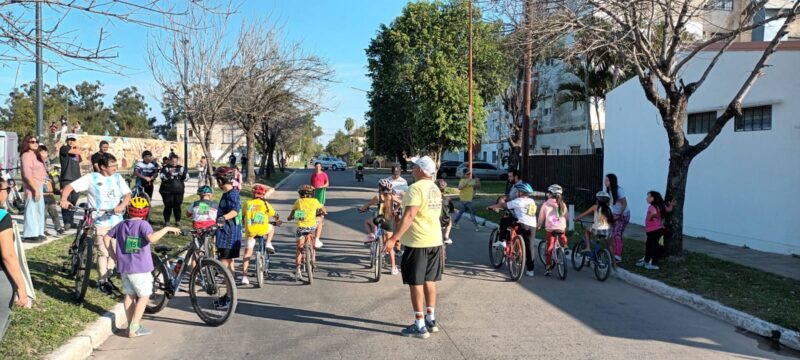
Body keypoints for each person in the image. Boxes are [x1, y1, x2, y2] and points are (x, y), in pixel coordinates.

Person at [384, 156, 443, 340]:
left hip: (418, 242)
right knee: (429, 280)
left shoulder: (415, 188)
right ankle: (431, 319)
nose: (412, 168)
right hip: (435, 241)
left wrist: (394, 238)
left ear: (422, 170)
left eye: (415, 166)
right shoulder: (434, 188)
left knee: (415, 283)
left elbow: (409, 216)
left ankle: (419, 325)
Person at [104, 196, 180, 338]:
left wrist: (113, 256)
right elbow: (151, 238)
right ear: (145, 212)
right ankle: (134, 327)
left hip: (125, 268)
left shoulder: (121, 224)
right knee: (144, 297)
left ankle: (130, 325)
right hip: (140, 269)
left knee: (129, 296)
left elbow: (106, 238)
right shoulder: (144, 225)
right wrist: (167, 228)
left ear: (129, 210)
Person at [61, 153, 131, 295]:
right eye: (112, 166)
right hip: (100, 221)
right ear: (102, 167)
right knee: (103, 251)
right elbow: (69, 187)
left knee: (116, 251)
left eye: (115, 165)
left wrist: (123, 205)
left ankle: (107, 276)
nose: (115, 168)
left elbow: (127, 195)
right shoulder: (91, 178)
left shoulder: (117, 178)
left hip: (117, 220)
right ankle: (102, 282)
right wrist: (63, 199)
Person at [0, 178, 31, 341]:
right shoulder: (2, 216)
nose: (7, 193)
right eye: (6, 189)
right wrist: (21, 286)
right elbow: (8, 255)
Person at [488, 182, 538, 277]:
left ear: (521, 192)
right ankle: (530, 270)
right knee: (530, 246)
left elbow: (503, 205)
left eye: (517, 191)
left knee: (504, 220)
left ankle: (502, 240)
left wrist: (492, 206)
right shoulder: (532, 201)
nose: (516, 193)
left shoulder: (518, 201)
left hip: (522, 224)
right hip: (532, 226)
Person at [358, 179, 403, 274]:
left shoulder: (377, 197)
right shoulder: (391, 197)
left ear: (379, 188)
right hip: (389, 222)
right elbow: (401, 203)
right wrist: (395, 210)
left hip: (380, 221)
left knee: (367, 222)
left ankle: (371, 235)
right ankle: (393, 268)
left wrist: (362, 209)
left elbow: (366, 206)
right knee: (389, 245)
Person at [212, 167, 241, 307]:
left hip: (228, 235)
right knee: (229, 265)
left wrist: (223, 218)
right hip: (225, 233)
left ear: (221, 180)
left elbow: (235, 210)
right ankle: (230, 295)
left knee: (223, 265)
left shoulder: (233, 194)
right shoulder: (227, 193)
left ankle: (229, 297)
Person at [240, 184, 280, 285]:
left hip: (250, 232)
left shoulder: (247, 203)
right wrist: (278, 220)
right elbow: (274, 214)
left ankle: (244, 276)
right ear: (263, 195)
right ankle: (268, 243)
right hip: (262, 229)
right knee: (271, 228)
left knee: (247, 254)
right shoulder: (265, 204)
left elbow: (242, 216)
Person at [289, 185, 327, 281]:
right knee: (320, 220)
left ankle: (298, 270)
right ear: (311, 194)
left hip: (301, 228)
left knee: (299, 250)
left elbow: (292, 213)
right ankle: (317, 239)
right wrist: (324, 212)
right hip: (311, 226)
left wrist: (290, 218)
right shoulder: (315, 201)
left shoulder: (298, 201)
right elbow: (323, 209)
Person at [537, 184, 569, 276]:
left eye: (548, 193)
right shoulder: (563, 204)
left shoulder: (546, 204)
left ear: (550, 194)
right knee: (562, 235)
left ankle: (548, 267)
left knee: (550, 247)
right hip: (561, 228)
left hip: (551, 229)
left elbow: (541, 218)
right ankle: (565, 245)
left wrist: (539, 225)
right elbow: (567, 217)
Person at [638, 191, 674, 270]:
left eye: (649, 197)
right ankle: (646, 261)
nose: (647, 198)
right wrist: (671, 206)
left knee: (652, 247)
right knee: (651, 246)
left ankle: (651, 263)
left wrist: (652, 217)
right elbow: (668, 210)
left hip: (653, 230)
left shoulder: (652, 207)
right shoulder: (662, 205)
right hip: (657, 230)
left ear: (654, 198)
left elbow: (653, 213)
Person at [20, 135, 47, 242]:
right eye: (32, 142)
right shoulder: (26, 155)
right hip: (32, 187)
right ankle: (29, 234)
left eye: (37, 141)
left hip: (39, 186)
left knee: (39, 210)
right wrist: (35, 189)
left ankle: (38, 232)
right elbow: (27, 175)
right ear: (27, 143)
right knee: (31, 210)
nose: (35, 143)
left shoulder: (36, 155)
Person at [38, 146, 65, 235]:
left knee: (54, 212)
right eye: (43, 152)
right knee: (44, 214)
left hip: (50, 193)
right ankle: (43, 229)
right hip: (42, 193)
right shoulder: (38, 163)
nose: (46, 154)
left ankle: (58, 227)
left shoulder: (46, 163)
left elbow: (51, 160)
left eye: (46, 152)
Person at [59, 135, 82, 229]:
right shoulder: (64, 148)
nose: (71, 141)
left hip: (76, 179)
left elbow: (79, 160)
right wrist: (76, 147)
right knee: (66, 201)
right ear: (67, 140)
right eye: (70, 140)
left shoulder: (76, 153)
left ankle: (71, 220)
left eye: (73, 140)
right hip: (67, 178)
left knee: (73, 201)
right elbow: (77, 151)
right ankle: (66, 222)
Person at [606, 173, 630, 262]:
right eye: (605, 180)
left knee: (617, 234)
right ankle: (612, 252)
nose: (605, 182)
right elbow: (610, 203)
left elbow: (624, 204)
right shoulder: (609, 191)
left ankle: (618, 256)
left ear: (612, 181)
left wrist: (618, 215)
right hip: (615, 215)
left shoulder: (619, 190)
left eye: (607, 180)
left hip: (623, 215)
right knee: (610, 233)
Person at [159, 154, 187, 226]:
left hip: (179, 191)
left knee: (177, 205)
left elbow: (187, 178)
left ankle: (177, 221)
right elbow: (162, 177)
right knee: (168, 205)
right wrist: (169, 174)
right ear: (169, 161)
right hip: (167, 191)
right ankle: (167, 221)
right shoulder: (165, 168)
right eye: (172, 161)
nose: (174, 162)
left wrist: (182, 175)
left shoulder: (181, 168)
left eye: (176, 161)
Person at [309, 162, 329, 248]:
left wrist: (322, 186)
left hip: (321, 191)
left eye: (319, 167)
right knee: (314, 205)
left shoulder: (324, 174)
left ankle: (322, 218)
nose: (318, 168)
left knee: (321, 204)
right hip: (314, 192)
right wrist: (312, 188)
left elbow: (327, 184)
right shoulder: (313, 175)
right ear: (315, 167)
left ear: (321, 167)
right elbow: (311, 184)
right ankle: (315, 217)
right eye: (316, 167)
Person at [435, 179, 455, 245]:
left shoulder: (431, 198)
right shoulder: (447, 199)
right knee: (450, 219)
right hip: (444, 220)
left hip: (433, 220)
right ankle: (446, 236)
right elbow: (452, 210)